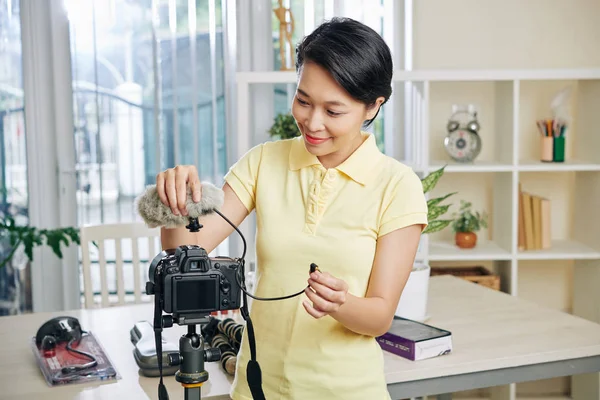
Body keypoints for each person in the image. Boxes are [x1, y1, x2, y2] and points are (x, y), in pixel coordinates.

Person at [156, 17, 428, 400]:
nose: (312, 122)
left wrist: (341, 303)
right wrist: (176, 199)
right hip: (258, 388)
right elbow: (182, 247)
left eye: (333, 112)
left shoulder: (397, 186)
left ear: (372, 106)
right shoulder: (264, 161)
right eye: (303, 100)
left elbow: (380, 317)